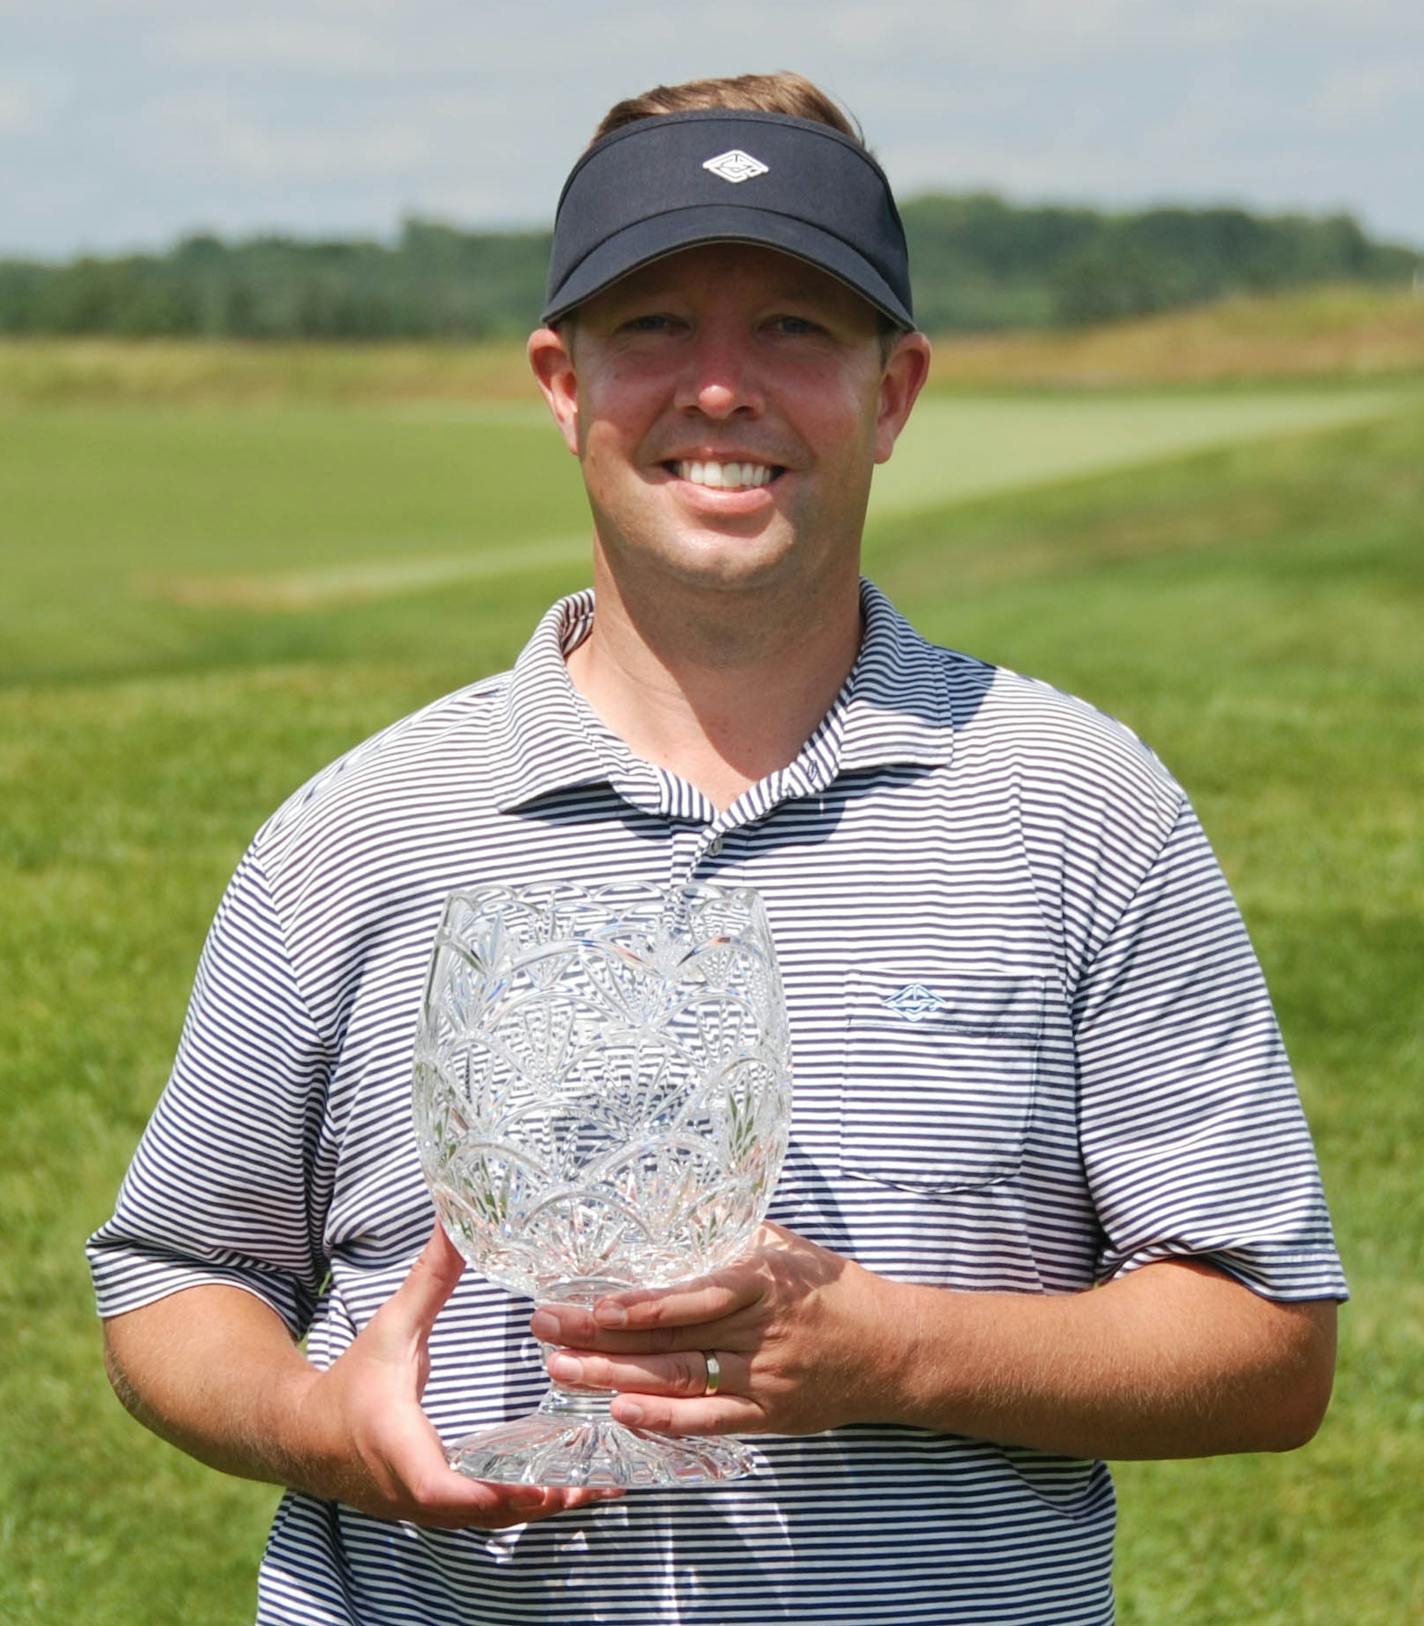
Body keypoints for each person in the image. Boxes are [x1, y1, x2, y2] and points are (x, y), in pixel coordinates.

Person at [89, 72, 1346, 1625]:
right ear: (563, 380)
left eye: (799, 330)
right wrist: (315, 1424)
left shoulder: (1081, 810)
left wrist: (897, 1352)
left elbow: (1270, 1345)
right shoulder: (355, 835)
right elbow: (170, 1279)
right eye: (657, 326)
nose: (722, 389)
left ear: (894, 391)